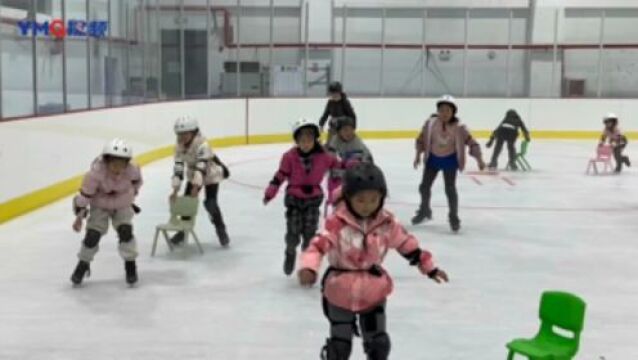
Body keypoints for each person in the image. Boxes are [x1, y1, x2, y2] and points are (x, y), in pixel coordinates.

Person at [298, 163, 449, 360]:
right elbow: (317, 246)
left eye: (373, 200)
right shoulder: (336, 223)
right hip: (340, 290)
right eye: (360, 200)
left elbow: (407, 245)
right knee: (340, 346)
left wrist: (429, 268)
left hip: (373, 290)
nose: (367, 205)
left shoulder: (386, 224)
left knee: (378, 343)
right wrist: (309, 267)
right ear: (348, 198)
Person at [263, 118, 342, 275]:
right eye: (302, 140)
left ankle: (307, 264)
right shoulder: (289, 157)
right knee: (293, 233)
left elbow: (339, 165)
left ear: (315, 140)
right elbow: (280, 176)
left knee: (310, 235)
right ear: (297, 140)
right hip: (294, 199)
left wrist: (355, 166)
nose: (306, 143)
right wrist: (270, 192)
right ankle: (290, 252)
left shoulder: (323, 156)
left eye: (309, 139)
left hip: (313, 199)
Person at [70, 138, 143, 285]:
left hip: (122, 203)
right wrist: (79, 216)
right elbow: (85, 195)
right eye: (114, 163)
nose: (117, 168)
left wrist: (132, 194)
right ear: (106, 161)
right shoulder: (95, 173)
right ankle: (83, 264)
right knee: (92, 235)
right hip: (100, 204)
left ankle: (130, 265)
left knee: (125, 231)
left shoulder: (132, 170)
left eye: (121, 164)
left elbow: (137, 181)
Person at [412, 95, 486, 232]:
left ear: (453, 112)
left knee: (450, 189)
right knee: (424, 187)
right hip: (433, 159)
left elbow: (472, 143)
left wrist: (480, 159)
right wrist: (417, 155)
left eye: (447, 110)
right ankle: (425, 210)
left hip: (450, 161)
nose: (444, 113)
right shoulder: (430, 123)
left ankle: (453, 217)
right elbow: (421, 139)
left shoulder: (460, 127)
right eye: (441, 110)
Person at [170, 116, 230, 247]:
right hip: (193, 173)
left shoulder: (203, 144)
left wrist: (196, 187)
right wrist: (175, 189)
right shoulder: (178, 147)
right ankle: (182, 232)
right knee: (186, 203)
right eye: (179, 134)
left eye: (185, 133)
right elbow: (178, 169)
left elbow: (201, 167)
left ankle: (220, 229)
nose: (182, 137)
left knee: (211, 203)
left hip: (209, 173)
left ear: (194, 132)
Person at [326, 116, 373, 207]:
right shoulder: (334, 143)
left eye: (351, 129)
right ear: (339, 131)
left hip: (355, 175)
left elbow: (368, 159)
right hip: (338, 177)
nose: (348, 132)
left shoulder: (357, 142)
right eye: (345, 130)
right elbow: (330, 164)